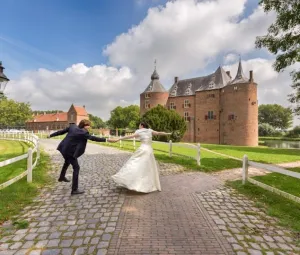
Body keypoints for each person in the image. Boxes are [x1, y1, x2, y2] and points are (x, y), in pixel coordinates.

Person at [48, 120, 111, 195]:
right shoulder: (83, 132)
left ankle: (62, 177)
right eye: (89, 125)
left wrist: (50, 135)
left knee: (67, 161)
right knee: (76, 168)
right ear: (85, 125)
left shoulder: (72, 127)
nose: (90, 127)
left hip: (63, 148)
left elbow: (61, 132)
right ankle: (74, 189)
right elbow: (93, 138)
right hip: (69, 152)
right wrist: (106, 140)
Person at [111, 122, 171, 193]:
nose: (138, 126)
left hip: (142, 149)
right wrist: (167, 133)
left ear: (142, 126)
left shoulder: (139, 131)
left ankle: (131, 181)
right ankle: (144, 184)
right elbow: (158, 133)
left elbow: (129, 137)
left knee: (134, 163)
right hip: (149, 150)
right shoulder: (150, 131)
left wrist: (118, 139)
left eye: (139, 125)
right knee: (147, 167)